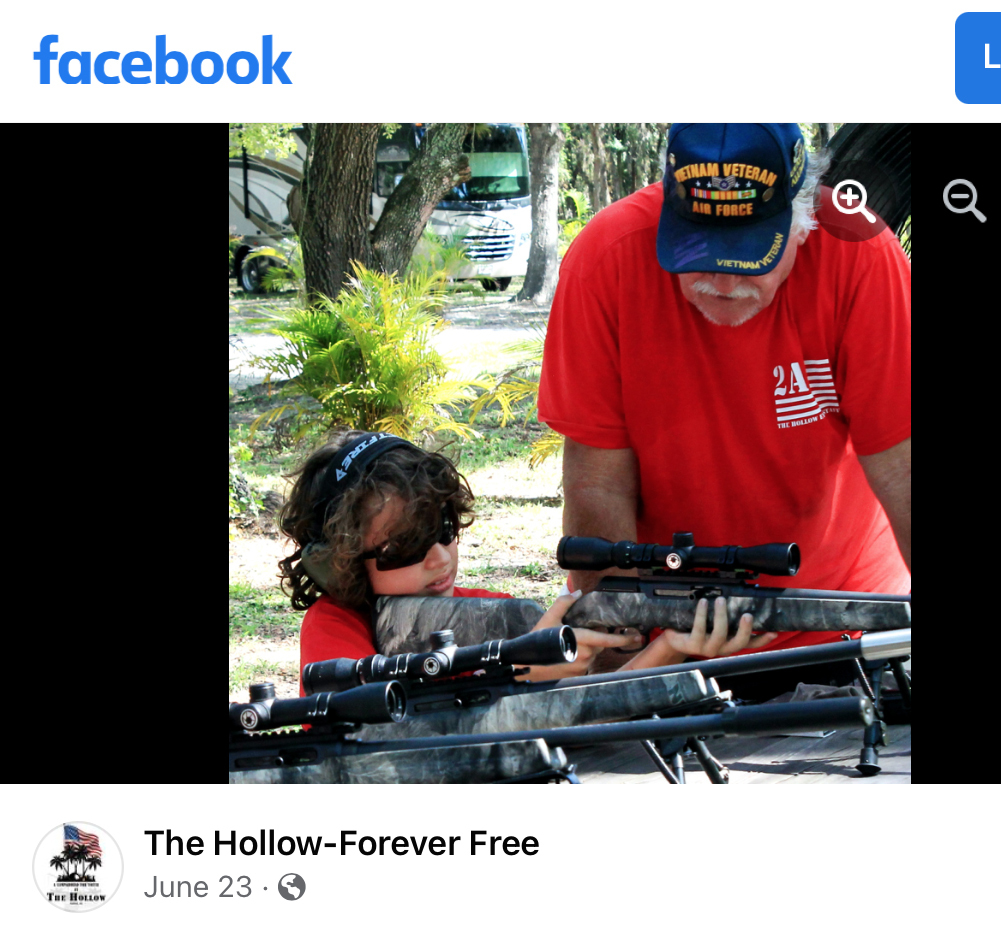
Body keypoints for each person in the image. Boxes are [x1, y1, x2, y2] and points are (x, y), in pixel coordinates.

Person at [538, 123, 910, 676]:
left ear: (805, 220)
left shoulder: (858, 250)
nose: (724, 282)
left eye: (751, 256)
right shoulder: (606, 257)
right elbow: (597, 481)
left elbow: (903, 469)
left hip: (850, 621)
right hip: (675, 641)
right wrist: (623, 652)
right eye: (699, 252)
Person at [277, 430, 760, 694]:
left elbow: (597, 712)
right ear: (339, 564)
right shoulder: (333, 627)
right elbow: (377, 731)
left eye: (444, 530)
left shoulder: (490, 612)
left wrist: (672, 648)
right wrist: (514, 670)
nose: (440, 557)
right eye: (404, 547)